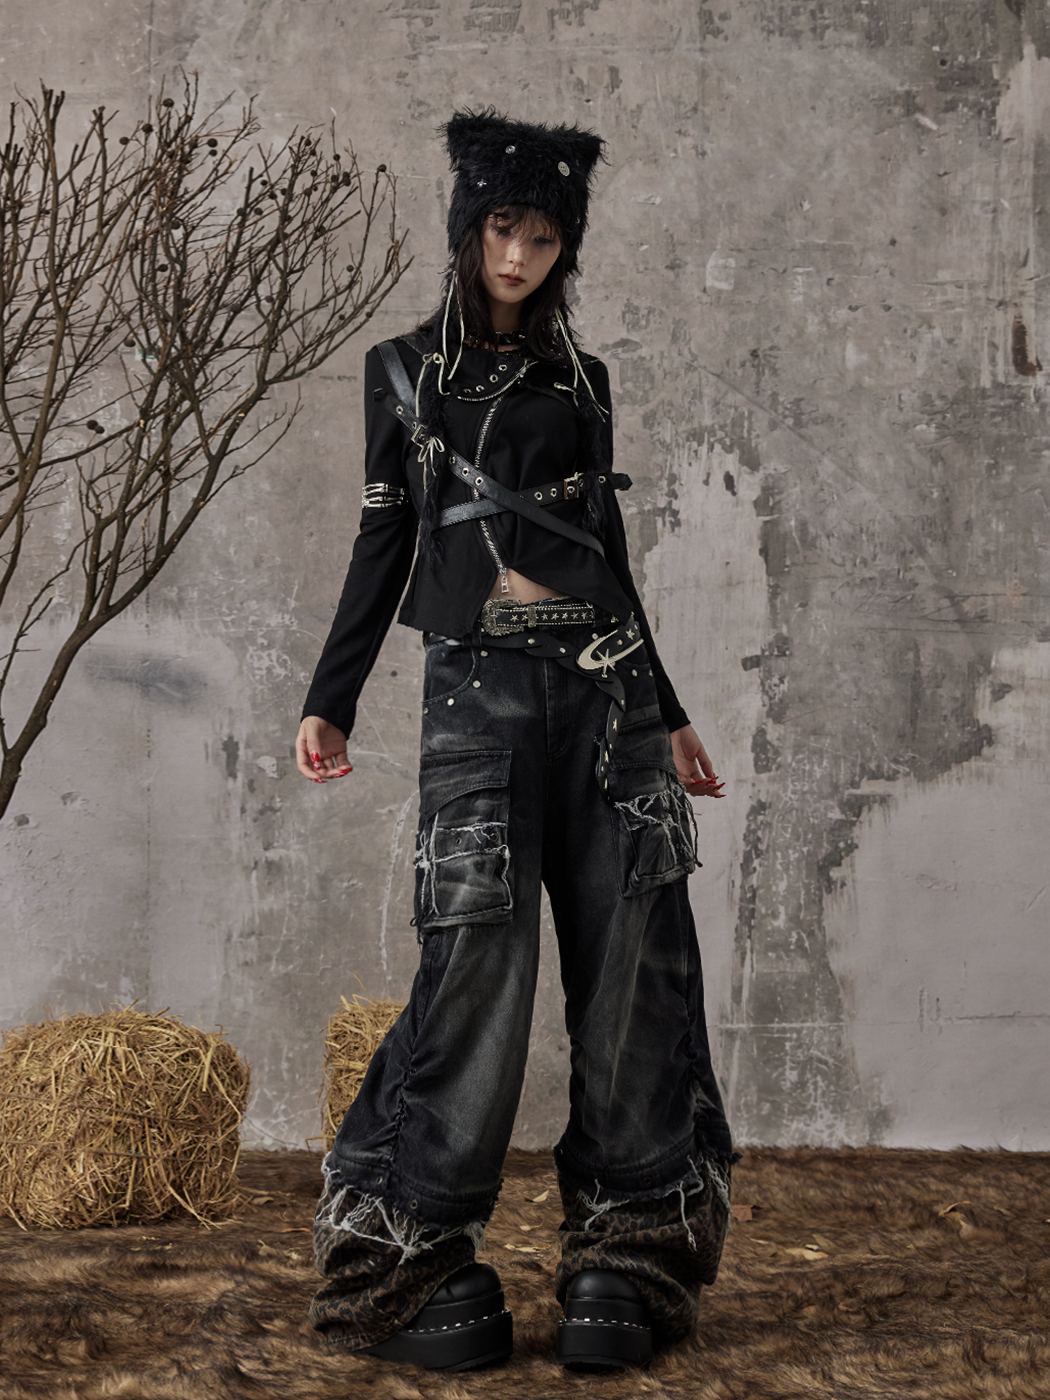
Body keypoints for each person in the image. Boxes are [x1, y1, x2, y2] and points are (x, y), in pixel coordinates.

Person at [295, 110, 735, 1374]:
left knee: (635, 974)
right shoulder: (399, 372)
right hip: (474, 702)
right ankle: (412, 1254)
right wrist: (332, 696)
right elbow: (383, 540)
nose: (519, 257)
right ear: (468, 227)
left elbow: (610, 556)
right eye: (503, 229)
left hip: (607, 703)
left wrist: (670, 709)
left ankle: (626, 1254)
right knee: (476, 976)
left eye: (544, 239)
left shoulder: (584, 383)